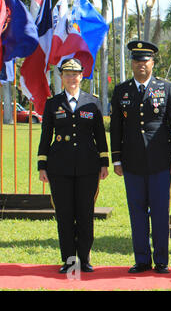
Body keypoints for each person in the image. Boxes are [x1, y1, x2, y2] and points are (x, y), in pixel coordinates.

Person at [110, 40, 171, 274]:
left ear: (153, 63)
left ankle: (161, 260)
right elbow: (117, 126)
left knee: (160, 212)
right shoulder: (122, 90)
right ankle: (142, 259)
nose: (141, 64)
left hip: (161, 162)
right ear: (132, 63)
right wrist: (117, 159)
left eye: (145, 60)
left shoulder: (167, 88)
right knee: (137, 212)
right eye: (136, 60)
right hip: (132, 163)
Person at [37, 58, 109, 273]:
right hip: (59, 167)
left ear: (81, 76)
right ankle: (68, 259)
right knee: (65, 214)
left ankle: (84, 258)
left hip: (88, 166)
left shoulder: (92, 102)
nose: (71, 78)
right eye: (67, 74)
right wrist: (42, 165)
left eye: (75, 74)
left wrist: (104, 162)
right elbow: (45, 136)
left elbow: (100, 136)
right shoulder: (52, 103)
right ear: (62, 77)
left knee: (85, 213)